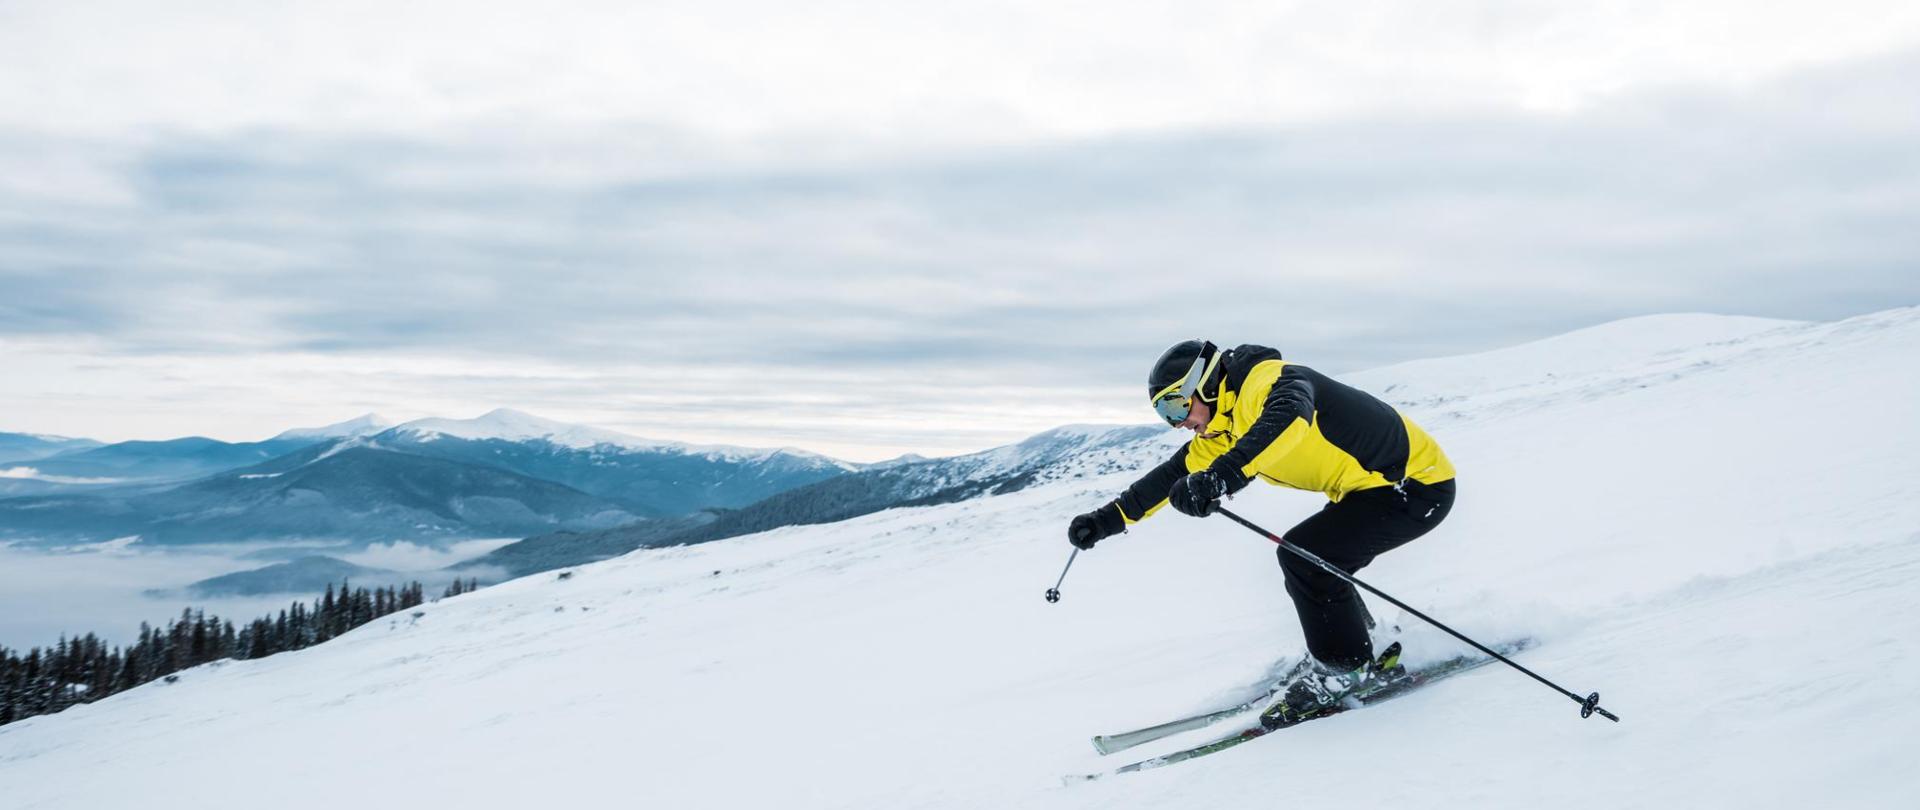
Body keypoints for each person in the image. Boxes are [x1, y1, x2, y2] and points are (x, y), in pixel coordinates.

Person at [1067, 339, 1457, 727]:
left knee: (1304, 556)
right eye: (1163, 415)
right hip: (1368, 491)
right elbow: (1167, 479)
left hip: (1415, 486)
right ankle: (1356, 646)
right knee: (1314, 557)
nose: (1176, 422)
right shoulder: (1221, 431)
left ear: (1202, 386)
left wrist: (1222, 477)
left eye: (1174, 406)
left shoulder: (1265, 382)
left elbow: (1289, 415)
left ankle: (1346, 667)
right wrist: (1103, 521)